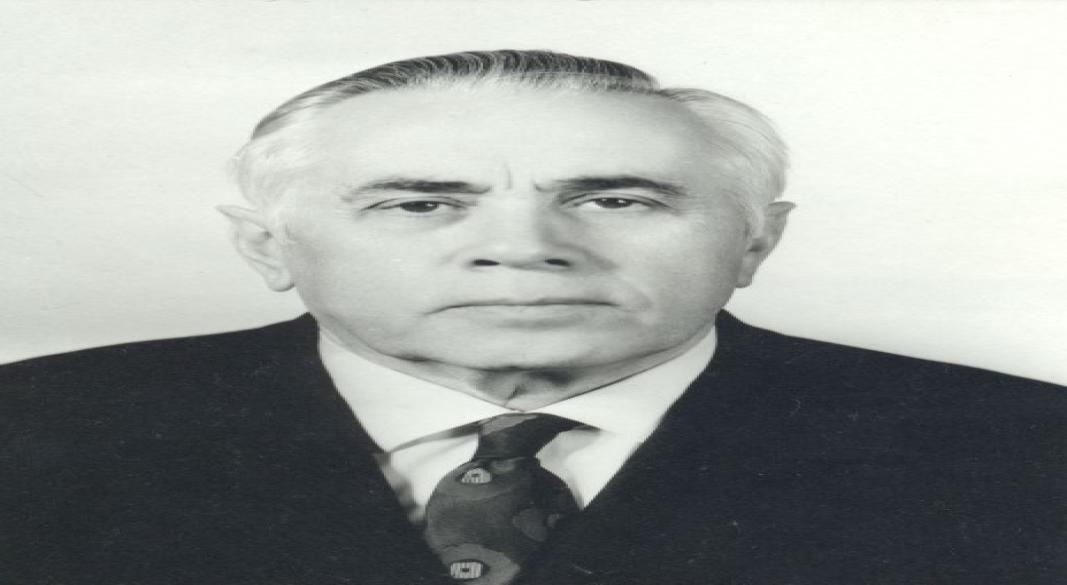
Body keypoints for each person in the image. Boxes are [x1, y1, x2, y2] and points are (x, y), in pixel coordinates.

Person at [1, 50, 1063, 585]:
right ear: (265, 246)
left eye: (616, 199)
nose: (523, 247)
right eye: (419, 204)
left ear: (755, 240)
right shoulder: (32, 433)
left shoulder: (1026, 454)